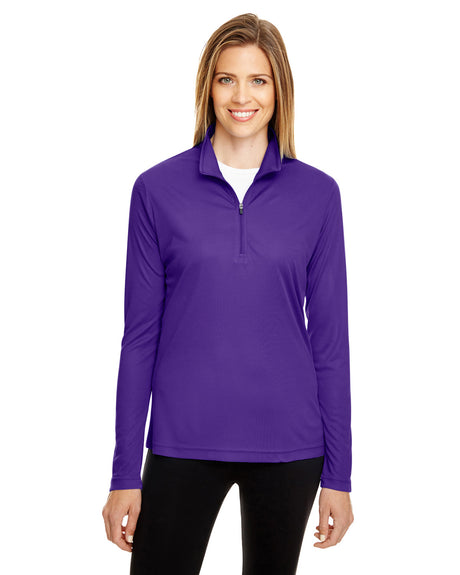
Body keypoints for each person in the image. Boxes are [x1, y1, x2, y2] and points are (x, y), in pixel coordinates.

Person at [102, 12, 354, 575]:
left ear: (279, 90)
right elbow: (138, 340)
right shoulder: (156, 191)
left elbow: (331, 346)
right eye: (227, 79)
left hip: (290, 445)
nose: (242, 96)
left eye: (258, 80)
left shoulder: (318, 195)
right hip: (181, 440)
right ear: (208, 88)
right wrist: (123, 474)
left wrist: (339, 476)